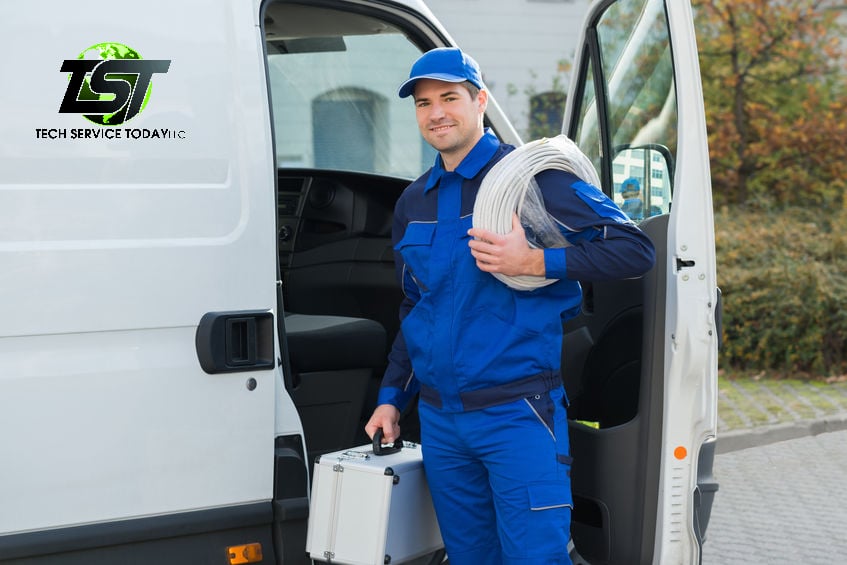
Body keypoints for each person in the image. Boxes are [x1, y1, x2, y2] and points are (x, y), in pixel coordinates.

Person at [365, 47, 655, 565]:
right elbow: (417, 308)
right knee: (468, 557)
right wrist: (392, 397)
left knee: (535, 558)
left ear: (479, 101)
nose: (436, 113)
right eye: (424, 102)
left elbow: (635, 249)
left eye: (449, 98)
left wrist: (537, 261)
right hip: (440, 420)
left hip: (516, 413)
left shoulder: (534, 182)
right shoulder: (414, 201)